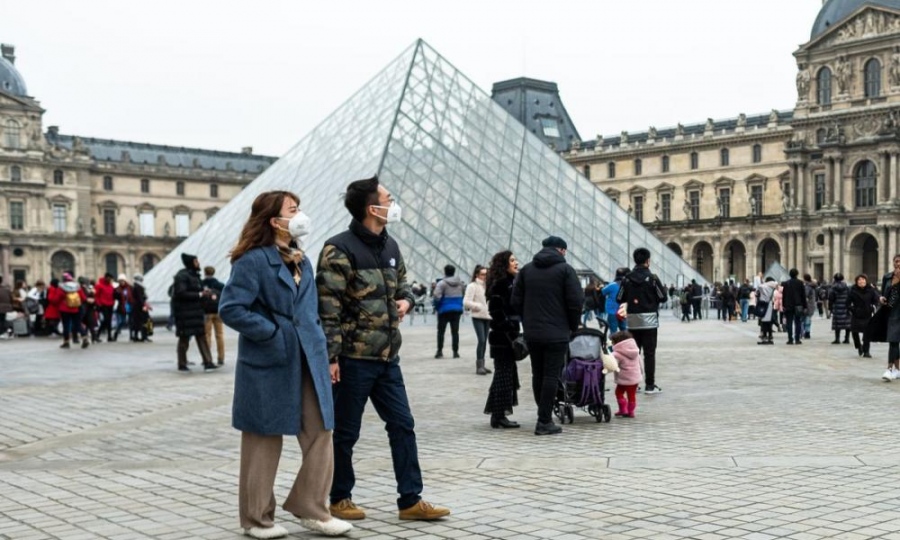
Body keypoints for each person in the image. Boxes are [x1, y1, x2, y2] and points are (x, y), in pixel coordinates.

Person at [218, 190, 352, 539]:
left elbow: (309, 310)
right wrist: (272, 333)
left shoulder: (302, 259)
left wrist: (324, 350)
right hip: (270, 358)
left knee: (321, 429)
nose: (300, 214)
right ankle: (255, 519)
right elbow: (231, 308)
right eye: (293, 210)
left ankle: (311, 507)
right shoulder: (252, 260)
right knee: (264, 436)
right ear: (274, 220)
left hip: (309, 356)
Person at [317, 176, 449, 521]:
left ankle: (410, 500)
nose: (393, 204)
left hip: (388, 357)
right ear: (371, 208)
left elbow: (404, 283)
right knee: (346, 432)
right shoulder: (338, 249)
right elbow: (326, 307)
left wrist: (405, 300)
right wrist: (331, 357)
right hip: (353, 357)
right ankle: (339, 497)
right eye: (388, 199)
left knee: (403, 425)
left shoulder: (390, 246)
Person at [511, 236, 583, 435]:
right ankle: (544, 421)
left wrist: (527, 320)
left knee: (538, 374)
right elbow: (576, 301)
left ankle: (543, 414)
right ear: (561, 250)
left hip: (533, 333)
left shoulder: (526, 270)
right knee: (551, 375)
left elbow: (515, 301)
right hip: (557, 332)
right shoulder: (566, 270)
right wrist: (572, 326)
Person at [617, 247, 667, 394]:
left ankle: (634, 384)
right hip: (650, 321)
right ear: (648, 261)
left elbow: (619, 298)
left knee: (634, 353)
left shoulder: (626, 279)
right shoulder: (653, 278)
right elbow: (663, 297)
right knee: (649, 354)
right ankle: (650, 386)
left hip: (632, 321)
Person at [483, 250, 522, 429]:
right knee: (503, 376)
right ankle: (498, 416)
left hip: (503, 336)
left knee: (504, 376)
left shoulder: (508, 282)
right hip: (503, 337)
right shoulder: (501, 283)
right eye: (512, 260)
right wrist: (510, 328)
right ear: (504, 264)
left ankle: (497, 414)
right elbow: (496, 311)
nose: (516, 263)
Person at [172, 253, 219, 372]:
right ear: (191, 263)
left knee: (201, 337)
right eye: (196, 262)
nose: (198, 264)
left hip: (196, 312)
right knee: (184, 339)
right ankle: (182, 364)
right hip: (185, 313)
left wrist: (204, 291)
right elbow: (180, 293)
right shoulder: (182, 276)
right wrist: (199, 294)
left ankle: (208, 362)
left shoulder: (194, 276)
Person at [463, 265, 492, 375]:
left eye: (486, 274)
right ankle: (479, 366)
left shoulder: (489, 286)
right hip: (477, 316)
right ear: (477, 275)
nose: (485, 276)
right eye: (483, 274)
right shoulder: (472, 286)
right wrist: (478, 306)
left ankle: (482, 365)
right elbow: (466, 302)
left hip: (488, 316)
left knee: (485, 341)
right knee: (482, 340)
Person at [432, 264, 465, 359]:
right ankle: (455, 352)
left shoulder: (442, 283)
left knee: (441, 332)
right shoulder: (460, 283)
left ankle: (439, 351)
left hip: (444, 310)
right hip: (456, 310)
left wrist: (437, 306)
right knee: (455, 332)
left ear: (445, 271)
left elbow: (436, 296)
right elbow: (463, 294)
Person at [610, 330, 642, 418]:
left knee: (619, 393)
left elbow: (613, 365)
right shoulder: (635, 352)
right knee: (631, 396)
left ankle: (623, 409)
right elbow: (640, 364)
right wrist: (641, 374)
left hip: (623, 379)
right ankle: (631, 412)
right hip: (634, 379)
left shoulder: (616, 354)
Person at [849, 274, 878, 358]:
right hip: (856, 314)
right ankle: (858, 346)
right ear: (856, 282)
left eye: (863, 280)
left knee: (867, 333)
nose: (861, 281)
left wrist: (873, 307)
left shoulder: (871, 290)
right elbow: (848, 303)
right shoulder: (852, 290)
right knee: (854, 331)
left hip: (867, 314)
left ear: (866, 281)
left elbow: (875, 300)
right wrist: (852, 309)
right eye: (859, 280)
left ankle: (866, 351)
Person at [202, 266, 226, 365]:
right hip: (218, 312)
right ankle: (221, 358)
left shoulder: (202, 284)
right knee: (219, 335)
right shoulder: (219, 285)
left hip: (207, 312)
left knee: (207, 335)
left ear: (205, 272)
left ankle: (208, 358)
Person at [881, 256, 900, 381]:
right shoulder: (887, 277)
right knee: (893, 341)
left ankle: (897, 370)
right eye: (896, 261)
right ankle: (889, 368)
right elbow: (884, 294)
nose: (898, 263)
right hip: (893, 312)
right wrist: (881, 298)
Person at [59, 272, 89, 349]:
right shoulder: (77, 286)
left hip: (64, 309)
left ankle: (66, 342)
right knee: (78, 324)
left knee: (66, 325)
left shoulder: (61, 287)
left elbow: (57, 298)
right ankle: (84, 337)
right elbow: (83, 298)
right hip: (75, 308)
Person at [781, 268, 806, 345]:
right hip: (798, 305)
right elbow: (803, 295)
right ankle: (797, 339)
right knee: (798, 322)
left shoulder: (786, 283)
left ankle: (790, 339)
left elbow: (784, 295)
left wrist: (783, 305)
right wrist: (804, 306)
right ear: (797, 274)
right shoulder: (800, 283)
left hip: (788, 305)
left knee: (789, 322)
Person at [602, 268, 629, 333]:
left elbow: (603, 291)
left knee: (613, 331)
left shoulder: (612, 285)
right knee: (624, 329)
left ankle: (615, 342)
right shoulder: (627, 285)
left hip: (612, 311)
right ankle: (625, 342)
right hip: (623, 311)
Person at [829, 274, 851, 344]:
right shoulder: (847, 287)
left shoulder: (833, 288)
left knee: (837, 324)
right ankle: (847, 338)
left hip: (837, 307)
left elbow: (831, 299)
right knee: (847, 324)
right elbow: (850, 297)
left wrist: (830, 308)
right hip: (846, 307)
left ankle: (837, 339)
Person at [94, 273, 116, 342]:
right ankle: (97, 334)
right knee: (106, 320)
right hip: (103, 305)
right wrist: (98, 304)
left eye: (111, 278)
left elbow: (113, 295)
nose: (110, 280)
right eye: (109, 278)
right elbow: (96, 295)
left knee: (109, 321)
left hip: (110, 305)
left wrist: (113, 302)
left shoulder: (111, 286)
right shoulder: (99, 285)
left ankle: (109, 336)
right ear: (106, 277)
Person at [756, 276, 777, 345]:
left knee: (764, 322)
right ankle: (769, 336)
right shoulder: (773, 287)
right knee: (769, 322)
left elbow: (758, 288)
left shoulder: (764, 286)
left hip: (764, 305)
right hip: (770, 305)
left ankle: (765, 337)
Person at [130, 274, 151, 342]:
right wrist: (144, 305)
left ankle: (138, 336)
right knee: (145, 320)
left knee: (138, 321)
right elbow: (140, 298)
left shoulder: (137, 286)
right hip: (140, 307)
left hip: (138, 306)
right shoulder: (138, 287)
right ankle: (144, 336)